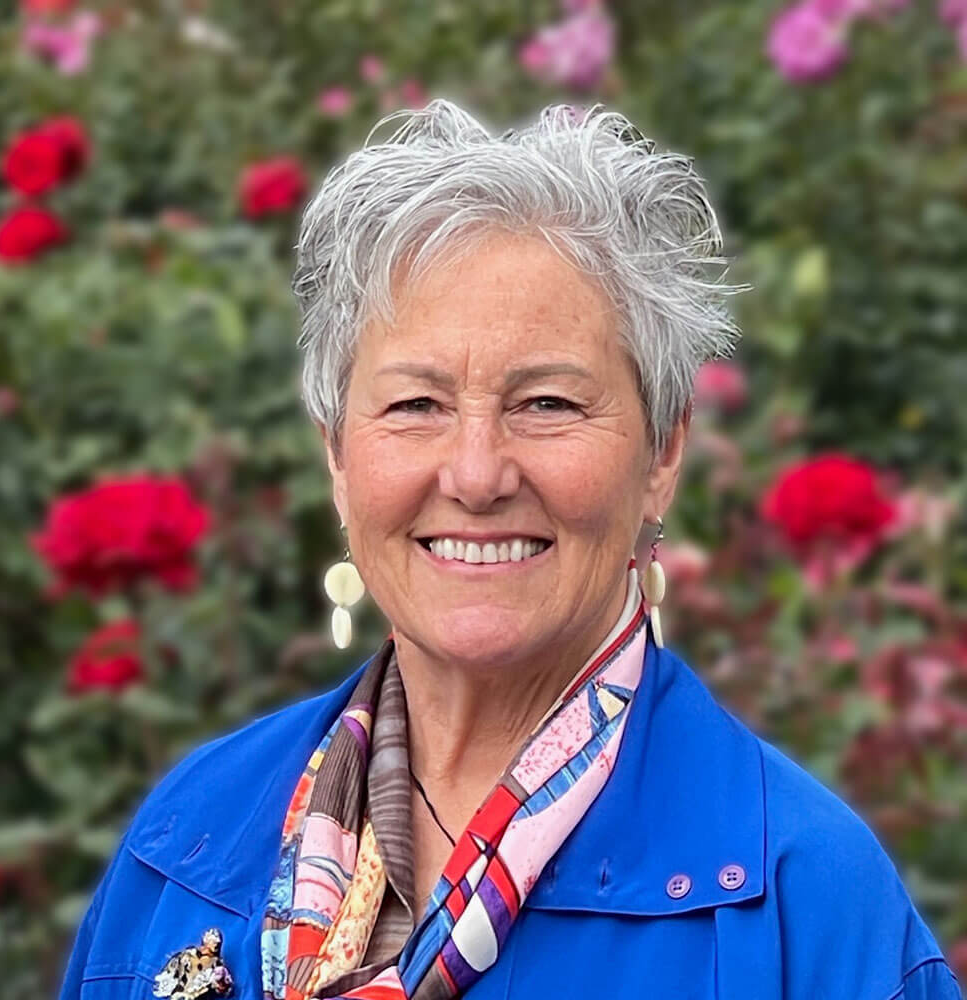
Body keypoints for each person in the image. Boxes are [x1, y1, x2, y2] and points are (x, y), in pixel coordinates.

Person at [59, 100, 961, 1000]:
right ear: (337, 452)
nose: (478, 473)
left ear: (663, 453)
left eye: (548, 405)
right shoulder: (187, 843)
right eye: (416, 405)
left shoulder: (807, 907)